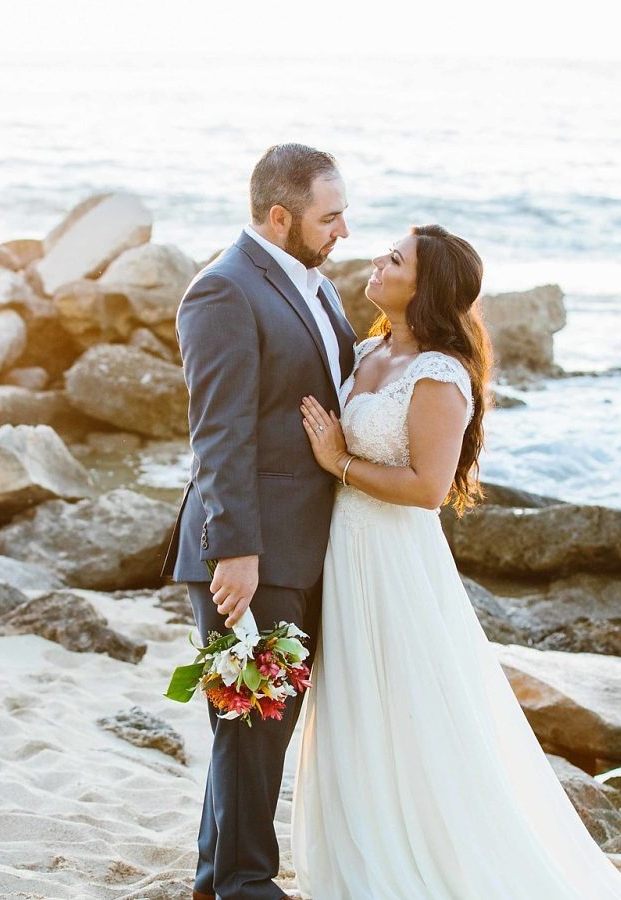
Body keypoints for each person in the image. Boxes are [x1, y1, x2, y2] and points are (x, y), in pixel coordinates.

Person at [291, 225, 621, 899]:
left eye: (395, 259)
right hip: (342, 548)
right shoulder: (367, 347)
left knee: (405, 710)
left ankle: (419, 858)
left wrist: (339, 462)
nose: (377, 260)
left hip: (393, 559)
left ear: (424, 286)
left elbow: (427, 488)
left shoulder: (439, 375)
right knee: (352, 704)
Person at [160, 142, 357, 900]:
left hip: (303, 548)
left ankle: (217, 878)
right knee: (251, 724)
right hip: (251, 554)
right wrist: (235, 551)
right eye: (328, 217)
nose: (342, 230)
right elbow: (218, 434)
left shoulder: (317, 286)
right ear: (280, 217)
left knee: (256, 730)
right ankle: (246, 884)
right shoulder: (223, 292)